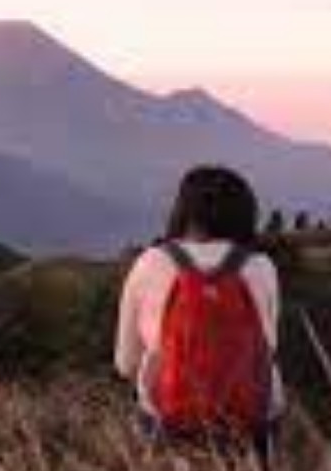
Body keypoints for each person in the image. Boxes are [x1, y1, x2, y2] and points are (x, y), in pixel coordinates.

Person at [114, 165, 283, 468]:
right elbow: (268, 348)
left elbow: (125, 364)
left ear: (182, 211)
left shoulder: (150, 263)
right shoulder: (261, 267)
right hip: (248, 427)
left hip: (169, 426)